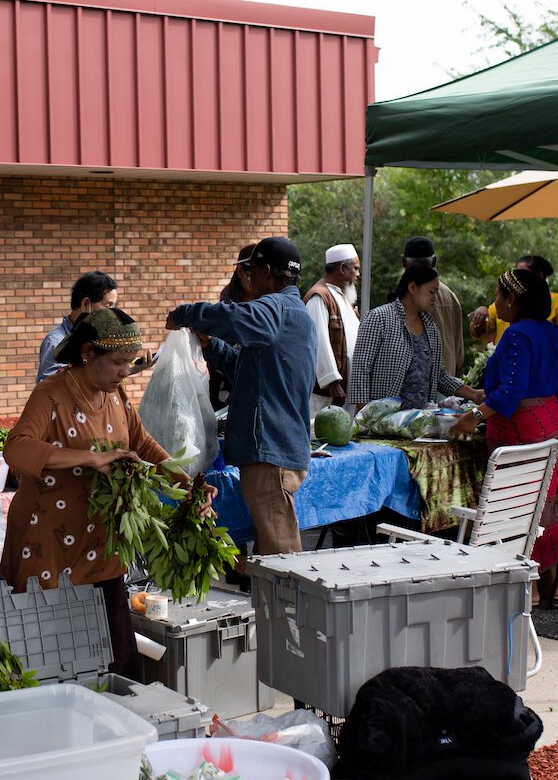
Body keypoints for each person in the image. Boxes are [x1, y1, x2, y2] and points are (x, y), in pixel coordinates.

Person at [0, 308, 177, 675]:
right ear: (86, 355)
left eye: (129, 362)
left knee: (118, 656)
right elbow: (16, 447)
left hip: (100, 542)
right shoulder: (51, 395)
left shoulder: (115, 395)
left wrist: (186, 484)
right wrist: (90, 459)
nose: (125, 371)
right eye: (117, 362)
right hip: (49, 542)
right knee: (49, 656)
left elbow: (142, 444)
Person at [168, 236, 315, 555]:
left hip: (270, 453)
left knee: (282, 560)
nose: (247, 278)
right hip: (278, 450)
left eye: (250, 270)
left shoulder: (276, 307)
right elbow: (250, 375)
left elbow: (235, 317)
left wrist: (186, 314)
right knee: (271, 557)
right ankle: (273, 607)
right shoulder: (293, 312)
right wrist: (212, 346)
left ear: (265, 271)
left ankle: (288, 608)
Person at [453, 268, 558, 602]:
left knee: (517, 505)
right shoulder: (551, 331)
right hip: (549, 419)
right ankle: (552, 582)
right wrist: (551, 408)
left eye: (496, 295)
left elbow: (512, 389)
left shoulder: (518, 334)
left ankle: (529, 587)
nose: (494, 303)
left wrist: (473, 415)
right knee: (544, 502)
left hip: (520, 426)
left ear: (511, 299)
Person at [348, 265, 484, 415]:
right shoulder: (379, 318)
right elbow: (361, 368)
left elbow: (439, 376)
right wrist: (365, 414)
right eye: (431, 292)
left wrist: (472, 394)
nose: (435, 298)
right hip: (380, 420)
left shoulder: (431, 328)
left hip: (419, 422)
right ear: (412, 287)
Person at [470, 254, 558, 350]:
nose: (517, 277)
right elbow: (478, 333)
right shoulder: (503, 303)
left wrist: (540, 335)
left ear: (539, 276)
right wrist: (481, 312)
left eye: (522, 273)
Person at [305, 243, 360, 416]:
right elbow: (318, 342)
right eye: (355, 269)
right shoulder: (319, 296)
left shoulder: (339, 295)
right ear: (343, 268)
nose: (358, 275)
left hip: (345, 389)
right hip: (327, 394)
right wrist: (333, 382)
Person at [36, 271, 117, 383]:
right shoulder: (55, 341)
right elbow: (47, 388)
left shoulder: (97, 337)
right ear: (85, 304)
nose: (111, 314)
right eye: (107, 306)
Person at [401, 236, 465, 377]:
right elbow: (459, 356)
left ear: (404, 262)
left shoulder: (402, 296)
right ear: (434, 261)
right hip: (446, 384)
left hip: (408, 387)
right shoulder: (450, 297)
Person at [208, 242, 256, 413]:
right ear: (240, 272)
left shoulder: (266, 305)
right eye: (249, 273)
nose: (254, 280)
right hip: (226, 390)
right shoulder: (227, 308)